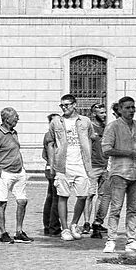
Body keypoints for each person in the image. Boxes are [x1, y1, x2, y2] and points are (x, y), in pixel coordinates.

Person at [98, 97, 136, 255]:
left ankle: (131, 240)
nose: (131, 110)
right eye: (127, 108)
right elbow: (106, 150)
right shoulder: (113, 127)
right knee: (116, 207)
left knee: (133, 208)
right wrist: (128, 152)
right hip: (119, 172)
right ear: (119, 109)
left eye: (133, 107)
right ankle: (111, 239)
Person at [46, 95, 97, 242]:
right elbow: (50, 142)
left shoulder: (85, 121)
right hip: (63, 164)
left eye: (67, 105)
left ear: (75, 105)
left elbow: (91, 138)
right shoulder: (56, 122)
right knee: (63, 196)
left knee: (83, 196)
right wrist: (51, 163)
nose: (64, 108)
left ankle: (74, 223)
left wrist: (88, 158)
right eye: (62, 105)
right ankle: (65, 228)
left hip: (81, 165)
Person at [0, 109, 30, 244]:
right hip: (5, 173)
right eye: (14, 117)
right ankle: (3, 233)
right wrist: (1, 174)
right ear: (6, 119)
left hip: (18, 172)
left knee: (22, 201)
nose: (17, 118)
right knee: (2, 202)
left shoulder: (14, 132)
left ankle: (19, 231)